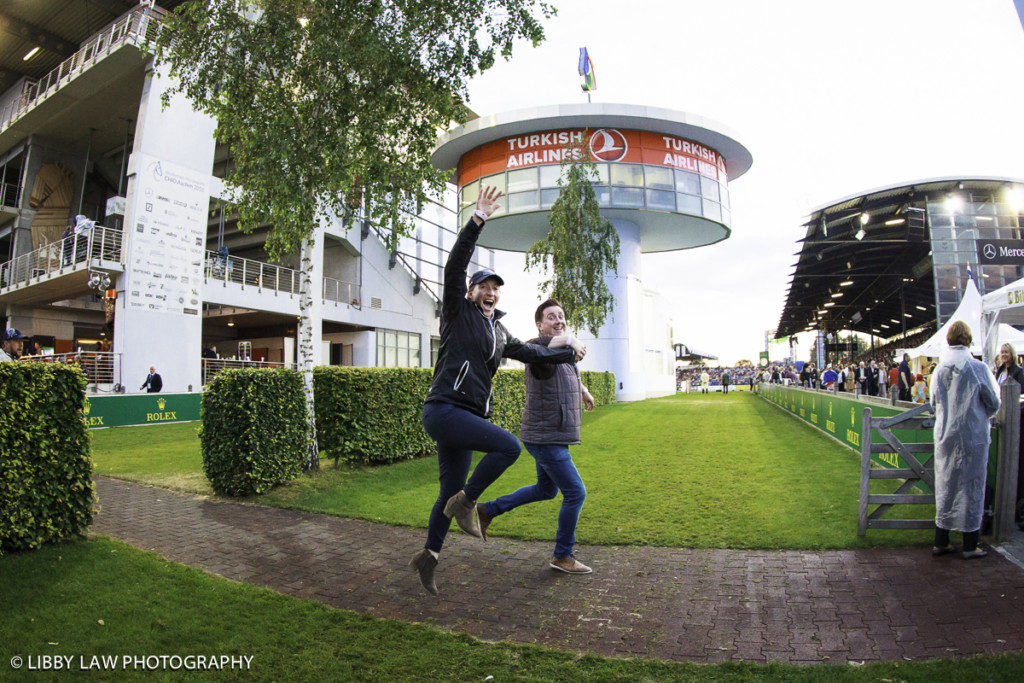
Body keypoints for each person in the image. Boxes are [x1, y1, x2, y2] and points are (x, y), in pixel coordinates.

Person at [411, 186, 582, 595]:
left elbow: (529, 353)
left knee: (447, 494)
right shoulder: (457, 312)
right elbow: (454, 267)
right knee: (508, 447)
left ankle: (429, 557)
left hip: (467, 417)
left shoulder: (499, 330)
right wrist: (477, 221)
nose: (490, 292)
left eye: (495, 288)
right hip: (444, 409)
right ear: (471, 292)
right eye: (483, 287)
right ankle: (470, 503)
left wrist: (569, 354)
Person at [477, 299, 594, 574]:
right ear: (540, 325)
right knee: (575, 493)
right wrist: (572, 340)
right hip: (544, 437)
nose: (559, 321)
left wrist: (583, 390)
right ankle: (562, 556)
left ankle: (488, 510)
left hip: (552, 434)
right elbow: (541, 349)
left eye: (562, 316)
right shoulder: (535, 347)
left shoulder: (562, 352)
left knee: (546, 490)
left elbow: (570, 374)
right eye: (551, 317)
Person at [930, 321, 1000, 559]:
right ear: (968, 339)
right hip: (973, 436)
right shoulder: (977, 368)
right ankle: (970, 544)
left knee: (946, 487)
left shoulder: (939, 369)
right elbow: (994, 402)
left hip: (945, 437)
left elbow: (932, 402)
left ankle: (941, 540)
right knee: (972, 488)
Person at [994, 343, 1024, 530]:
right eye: (1002, 352)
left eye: (1006, 352)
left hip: (1014, 416)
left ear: (1012, 354)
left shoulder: (1018, 372)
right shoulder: (999, 370)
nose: (1004, 355)